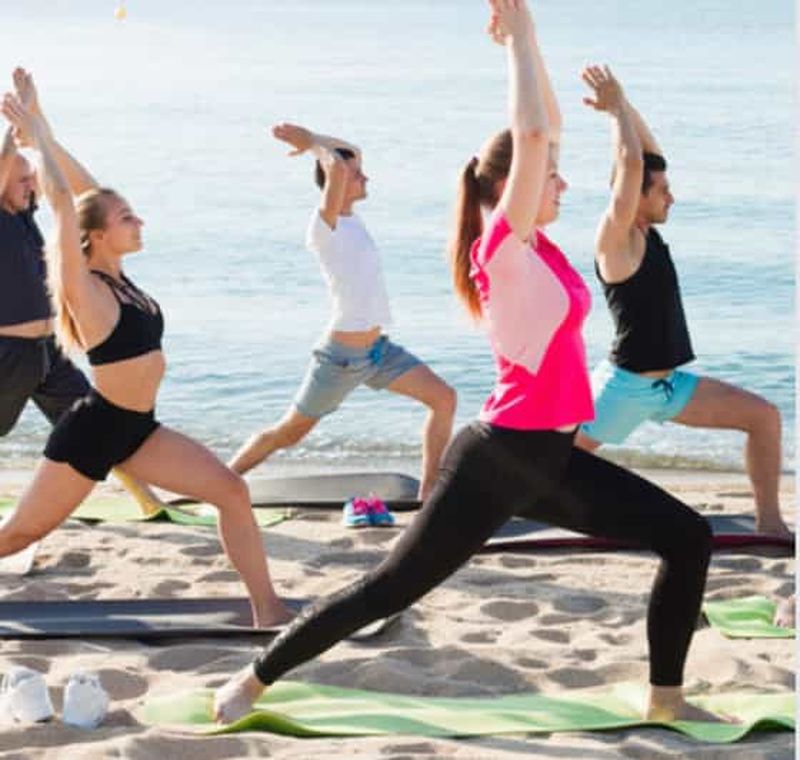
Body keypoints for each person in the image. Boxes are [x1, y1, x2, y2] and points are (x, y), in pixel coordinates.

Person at [214, 0, 719, 724]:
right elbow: (536, 132)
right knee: (387, 590)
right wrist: (514, 45)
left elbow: (549, 131)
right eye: (551, 179)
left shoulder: (540, 249)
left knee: (687, 536)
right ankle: (257, 677)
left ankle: (665, 700)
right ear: (511, 189)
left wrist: (532, 36)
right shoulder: (501, 251)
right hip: (495, 460)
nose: (563, 185)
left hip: (553, 460)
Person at [0, 92, 291, 628]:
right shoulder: (81, 284)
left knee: (231, 490)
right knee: (17, 536)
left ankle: (267, 609)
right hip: (93, 431)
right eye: (127, 217)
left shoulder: (119, 279)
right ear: (98, 235)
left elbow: (86, 190)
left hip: (139, 428)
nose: (139, 223)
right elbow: (67, 203)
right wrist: (34, 144)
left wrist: (43, 126)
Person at [574, 66, 790, 539]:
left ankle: (770, 522)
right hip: (623, 389)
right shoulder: (617, 239)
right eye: (663, 191)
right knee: (546, 464)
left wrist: (624, 103)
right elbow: (631, 168)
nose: (672, 197)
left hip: (669, 387)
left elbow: (646, 158)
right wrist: (614, 116)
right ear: (635, 198)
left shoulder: (645, 231)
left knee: (764, 418)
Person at [226, 124, 457, 501]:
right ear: (339, 182)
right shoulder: (324, 227)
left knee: (444, 399)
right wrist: (314, 147)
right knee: (288, 433)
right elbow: (335, 168)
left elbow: (350, 152)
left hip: (378, 352)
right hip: (342, 359)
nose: (365, 176)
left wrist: (315, 139)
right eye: (357, 175)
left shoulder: (350, 218)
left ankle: (429, 493)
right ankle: (223, 479)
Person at [0, 68, 161, 513]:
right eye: (21, 178)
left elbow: (81, 192)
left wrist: (35, 121)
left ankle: (147, 501)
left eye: (32, 178)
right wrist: (16, 130)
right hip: (5, 354)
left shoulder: (29, 220)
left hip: (48, 354)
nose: (31, 184)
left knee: (99, 423)